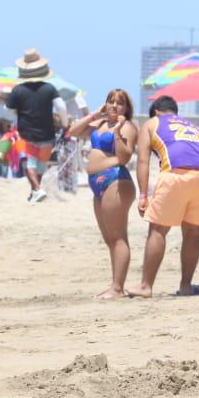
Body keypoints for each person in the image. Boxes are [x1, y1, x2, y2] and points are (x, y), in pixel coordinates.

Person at [130, 96, 199, 297]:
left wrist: (143, 194)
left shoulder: (152, 123)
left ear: (156, 111)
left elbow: (143, 161)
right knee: (193, 232)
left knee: (158, 230)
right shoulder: (194, 127)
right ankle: (185, 286)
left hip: (175, 175)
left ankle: (146, 286)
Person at [67, 89, 138, 299]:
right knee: (109, 239)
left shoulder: (128, 127)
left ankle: (117, 289)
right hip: (97, 184)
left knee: (118, 237)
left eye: (119, 103)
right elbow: (73, 131)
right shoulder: (98, 125)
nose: (114, 106)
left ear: (126, 108)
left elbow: (125, 157)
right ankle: (116, 285)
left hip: (115, 179)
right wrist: (94, 115)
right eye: (110, 101)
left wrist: (116, 132)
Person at [3, 49, 63, 202]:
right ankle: (35, 192)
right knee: (41, 164)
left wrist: (18, 113)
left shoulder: (18, 90)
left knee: (30, 164)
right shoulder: (50, 88)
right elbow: (61, 107)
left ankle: (37, 189)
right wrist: (65, 123)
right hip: (47, 134)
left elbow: (7, 109)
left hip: (26, 134)